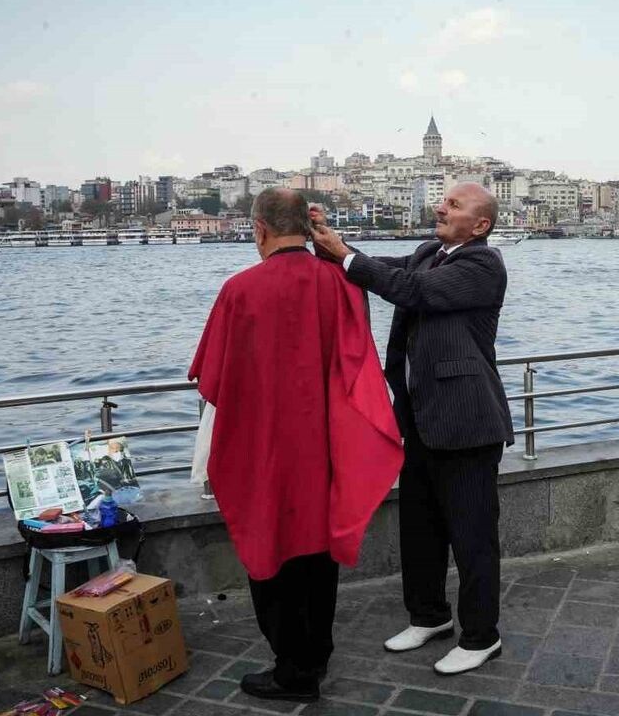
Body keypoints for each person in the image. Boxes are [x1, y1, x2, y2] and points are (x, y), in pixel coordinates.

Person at [188, 187, 403, 702]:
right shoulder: (339, 284)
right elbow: (357, 363)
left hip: (263, 448)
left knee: (269, 546)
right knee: (315, 552)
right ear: (307, 228)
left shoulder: (239, 290)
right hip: (322, 446)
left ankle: (292, 669)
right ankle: (315, 656)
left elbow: (212, 380)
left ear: (259, 228)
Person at [311, 182, 513, 676]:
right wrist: (324, 239)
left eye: (454, 205)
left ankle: (482, 636)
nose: (440, 207)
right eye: (444, 201)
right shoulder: (429, 251)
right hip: (421, 419)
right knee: (419, 530)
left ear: (480, 224)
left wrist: (344, 256)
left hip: (467, 424)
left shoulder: (483, 265)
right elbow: (383, 269)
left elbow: (412, 291)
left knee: (473, 538)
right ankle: (429, 617)